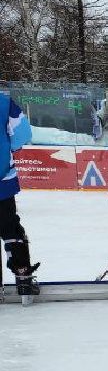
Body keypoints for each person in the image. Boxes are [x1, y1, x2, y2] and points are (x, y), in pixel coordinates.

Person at [0, 92, 40, 305]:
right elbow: (23, 133)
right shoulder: (5, 102)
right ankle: (23, 278)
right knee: (10, 230)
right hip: (2, 180)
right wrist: (9, 146)